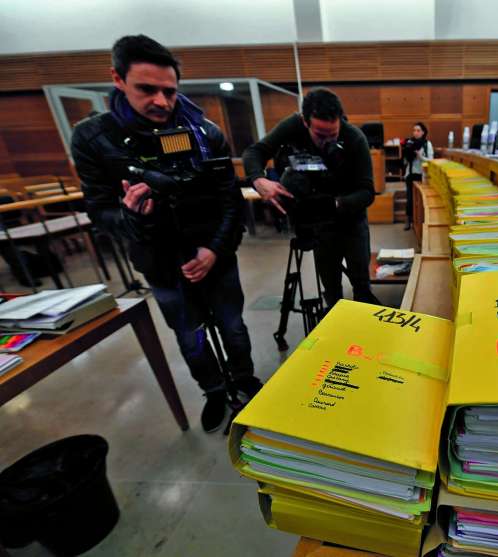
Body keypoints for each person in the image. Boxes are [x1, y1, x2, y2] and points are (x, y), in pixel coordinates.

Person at [71, 35, 261, 433]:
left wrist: (213, 250)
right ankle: (212, 391)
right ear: (117, 79)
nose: (161, 101)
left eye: (169, 91)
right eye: (147, 89)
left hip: (216, 254)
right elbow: (100, 211)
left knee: (235, 329)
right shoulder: (92, 138)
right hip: (160, 262)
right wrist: (132, 215)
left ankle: (244, 382)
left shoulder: (206, 133)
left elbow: (230, 200)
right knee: (190, 338)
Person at [243, 88, 379, 308]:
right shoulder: (292, 126)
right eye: (320, 135)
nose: (327, 142)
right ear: (305, 122)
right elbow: (254, 152)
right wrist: (259, 180)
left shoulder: (354, 138)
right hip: (318, 224)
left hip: (351, 221)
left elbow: (367, 192)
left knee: (361, 285)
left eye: (333, 135)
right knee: (331, 286)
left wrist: (334, 204)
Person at [402, 122, 433, 231]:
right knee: (409, 198)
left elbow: (431, 160)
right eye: (414, 130)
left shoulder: (427, 144)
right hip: (410, 174)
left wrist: (420, 156)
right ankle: (408, 220)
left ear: (423, 132)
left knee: (421, 200)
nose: (415, 132)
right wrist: (406, 153)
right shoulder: (409, 143)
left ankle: (421, 221)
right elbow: (405, 160)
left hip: (422, 175)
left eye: (418, 130)